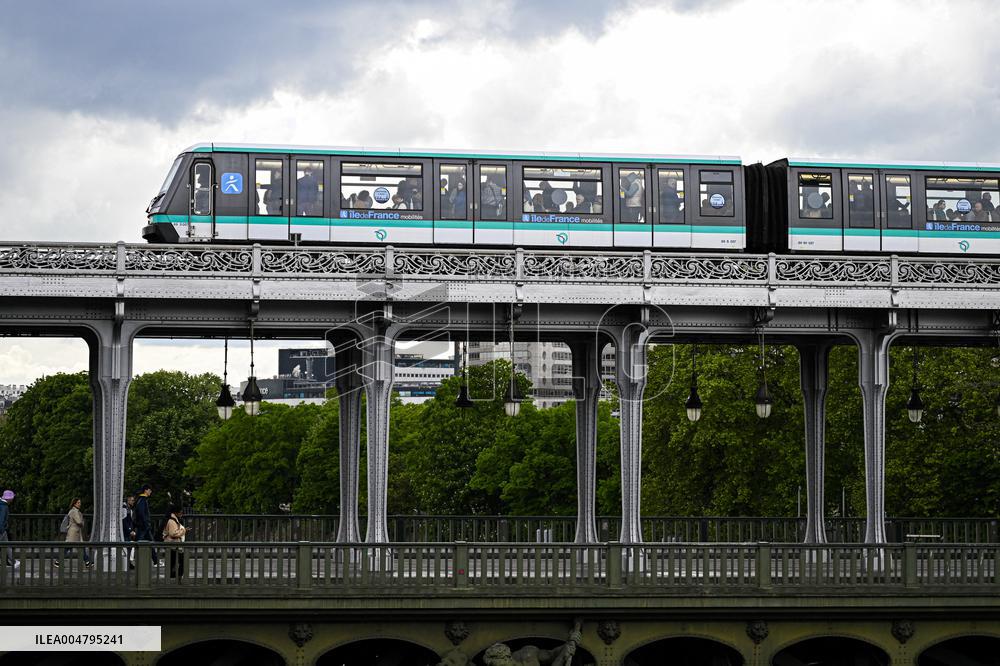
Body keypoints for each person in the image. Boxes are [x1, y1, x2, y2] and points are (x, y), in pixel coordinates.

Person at [58, 498, 92, 567]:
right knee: (68, 548)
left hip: (74, 533)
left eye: (80, 502)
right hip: (73, 533)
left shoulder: (74, 511)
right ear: (74, 503)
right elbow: (79, 521)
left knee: (79, 548)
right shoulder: (74, 511)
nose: (80, 504)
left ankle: (87, 562)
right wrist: (82, 522)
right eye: (78, 503)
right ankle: (58, 561)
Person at [133, 484, 160, 566]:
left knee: (150, 543)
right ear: (146, 490)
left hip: (144, 526)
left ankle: (156, 561)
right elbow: (141, 513)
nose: (150, 492)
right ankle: (133, 560)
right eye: (150, 490)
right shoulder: (142, 500)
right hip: (143, 526)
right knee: (139, 543)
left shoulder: (141, 499)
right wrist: (146, 524)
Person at [162, 505, 187, 579]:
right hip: (173, 544)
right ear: (176, 512)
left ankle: (173, 575)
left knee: (172, 561)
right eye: (180, 512)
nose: (181, 514)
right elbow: (173, 533)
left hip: (172, 544)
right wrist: (184, 530)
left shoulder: (172, 519)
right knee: (180, 560)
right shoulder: (172, 521)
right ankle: (177, 575)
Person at [0, 490, 17, 569]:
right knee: (7, 546)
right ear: (9, 498)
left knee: (6, 546)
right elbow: (1, 520)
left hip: (2, 530)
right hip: (1, 530)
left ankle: (12, 561)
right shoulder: (4, 506)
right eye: (12, 498)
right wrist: (2, 530)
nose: (12, 499)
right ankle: (13, 561)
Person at [121, 495, 136, 569]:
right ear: (128, 500)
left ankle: (128, 562)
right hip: (126, 532)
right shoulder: (125, 509)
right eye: (132, 500)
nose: (133, 502)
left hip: (127, 531)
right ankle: (128, 562)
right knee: (128, 546)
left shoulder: (128, 508)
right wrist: (130, 530)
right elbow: (124, 521)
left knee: (129, 546)